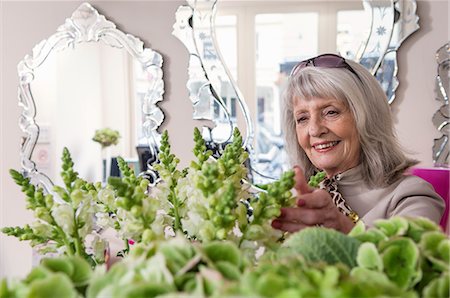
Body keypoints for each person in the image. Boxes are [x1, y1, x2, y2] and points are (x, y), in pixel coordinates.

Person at [271, 53, 445, 234]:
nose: (314, 130)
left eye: (331, 112)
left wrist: (341, 227)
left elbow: (403, 259)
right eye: (302, 118)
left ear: (367, 118)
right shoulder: (290, 198)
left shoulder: (412, 196)